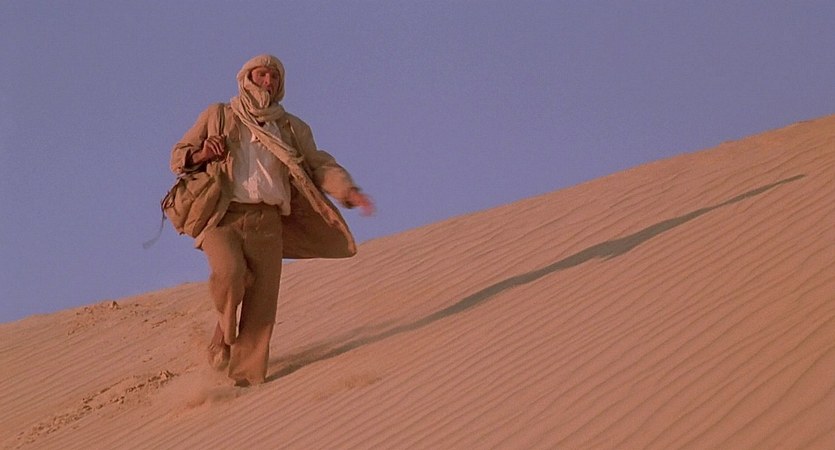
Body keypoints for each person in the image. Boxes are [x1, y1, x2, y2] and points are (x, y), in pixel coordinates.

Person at [170, 54, 374, 387]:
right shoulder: (219, 115)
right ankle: (223, 334)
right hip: (222, 216)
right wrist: (204, 153)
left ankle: (244, 384)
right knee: (230, 273)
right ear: (246, 78)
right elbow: (178, 156)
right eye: (261, 75)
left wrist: (348, 191)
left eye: (274, 77)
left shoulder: (291, 127)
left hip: (268, 222)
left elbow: (319, 164)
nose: (268, 82)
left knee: (261, 307)